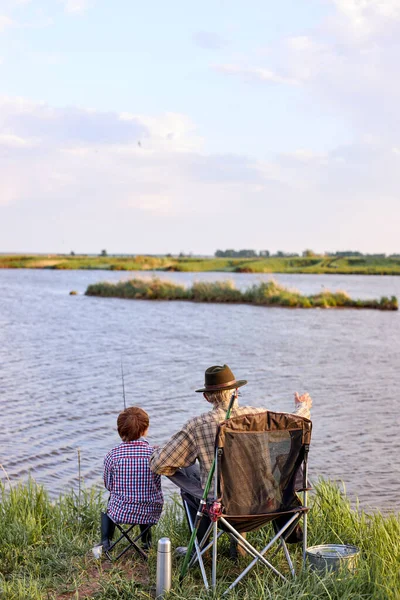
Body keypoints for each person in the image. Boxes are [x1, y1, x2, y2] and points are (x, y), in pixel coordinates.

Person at [150, 364, 312, 556]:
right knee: (243, 479)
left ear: (206, 396)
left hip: (223, 512)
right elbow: (297, 421)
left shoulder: (198, 425)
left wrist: (156, 453)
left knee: (189, 478)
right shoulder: (260, 417)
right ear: (236, 391)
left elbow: (160, 464)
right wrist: (302, 405)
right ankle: (238, 546)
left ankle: (199, 549)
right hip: (269, 505)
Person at [102, 406, 164, 551]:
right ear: (145, 429)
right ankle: (146, 542)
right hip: (151, 512)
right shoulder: (154, 454)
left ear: (119, 431)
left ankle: (105, 542)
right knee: (146, 493)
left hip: (121, 512)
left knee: (111, 499)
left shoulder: (112, 455)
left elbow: (108, 485)